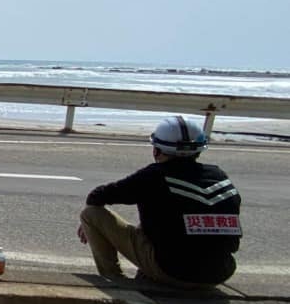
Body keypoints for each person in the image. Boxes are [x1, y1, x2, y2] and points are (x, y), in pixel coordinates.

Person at [78, 116, 241, 287]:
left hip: (173, 272)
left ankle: (115, 280)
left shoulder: (154, 176)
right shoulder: (219, 177)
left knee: (91, 214)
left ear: (156, 150)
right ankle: (148, 275)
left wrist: (89, 227)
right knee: (162, 221)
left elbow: (97, 196)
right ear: (198, 150)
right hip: (220, 272)